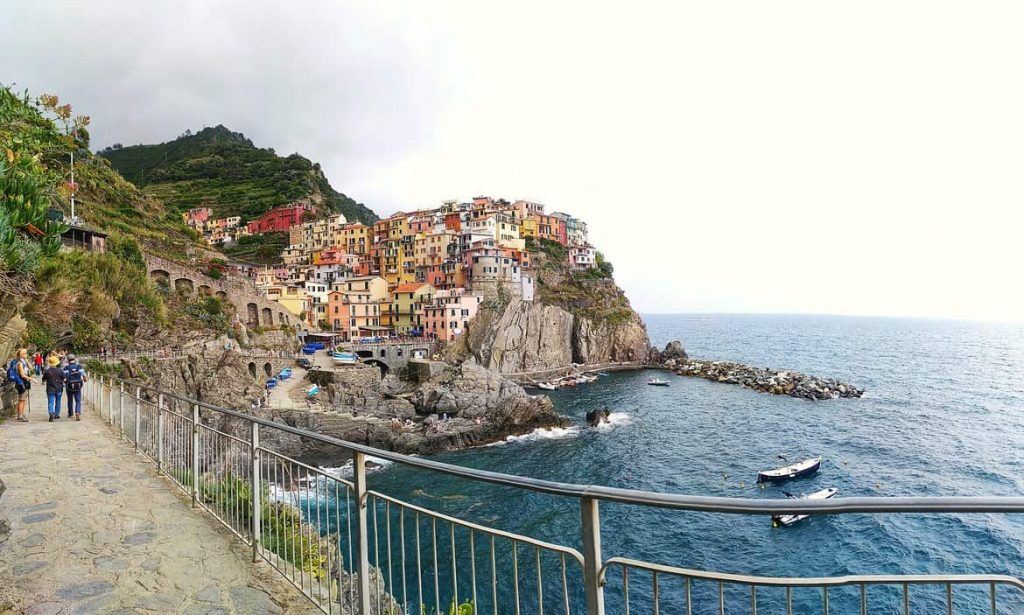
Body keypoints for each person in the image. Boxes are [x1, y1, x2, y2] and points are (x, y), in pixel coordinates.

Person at [7, 348, 32, 422]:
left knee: (23, 400)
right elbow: (22, 375)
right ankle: (20, 416)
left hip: (23, 383)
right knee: (22, 400)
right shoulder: (20, 363)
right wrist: (32, 379)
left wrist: (27, 361)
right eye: (25, 353)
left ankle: (21, 414)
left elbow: (31, 368)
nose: (26, 355)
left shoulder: (23, 362)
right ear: (21, 355)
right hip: (22, 383)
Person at [42, 355, 66, 422]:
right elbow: (65, 379)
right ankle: (57, 414)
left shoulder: (47, 371)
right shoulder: (60, 371)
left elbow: (43, 380)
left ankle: (51, 413)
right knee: (58, 401)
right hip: (59, 388)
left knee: (51, 401)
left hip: (50, 389)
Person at [63, 354, 87, 421]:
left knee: (70, 400)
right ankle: (77, 413)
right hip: (78, 385)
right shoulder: (79, 366)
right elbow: (84, 375)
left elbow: (63, 377)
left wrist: (65, 383)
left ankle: (70, 413)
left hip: (69, 386)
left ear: (68, 360)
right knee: (78, 400)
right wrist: (84, 380)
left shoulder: (66, 368)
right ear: (75, 359)